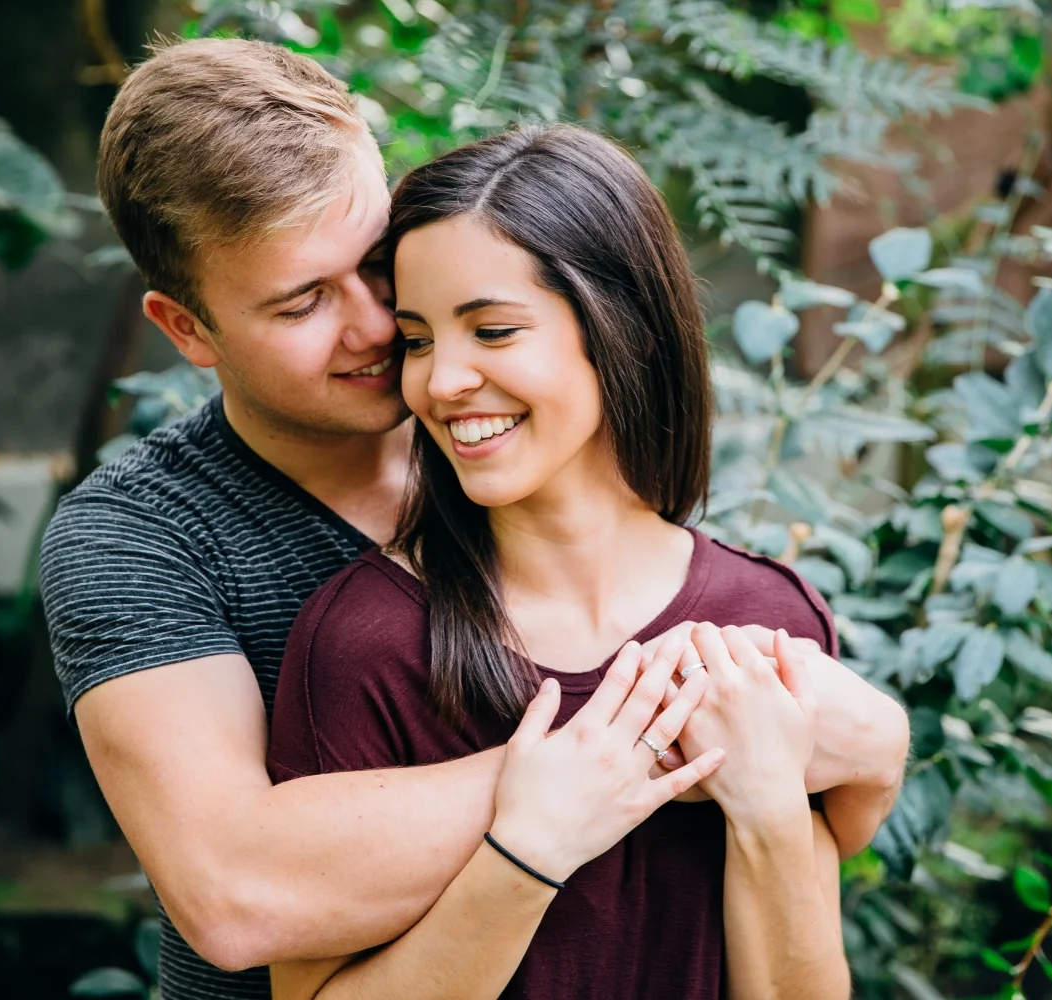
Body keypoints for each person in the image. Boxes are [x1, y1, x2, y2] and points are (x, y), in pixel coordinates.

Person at [40, 36, 909, 1000]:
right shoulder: (142, 540)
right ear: (187, 329)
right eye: (302, 305)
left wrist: (871, 740)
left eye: (376, 267)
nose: (378, 328)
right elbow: (239, 896)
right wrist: (641, 745)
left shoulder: (527, 444)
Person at [265, 124, 849, 1000]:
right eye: (419, 339)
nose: (441, 381)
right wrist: (527, 853)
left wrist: (765, 805)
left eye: (492, 331)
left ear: (630, 331)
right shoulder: (367, 642)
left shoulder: (767, 621)